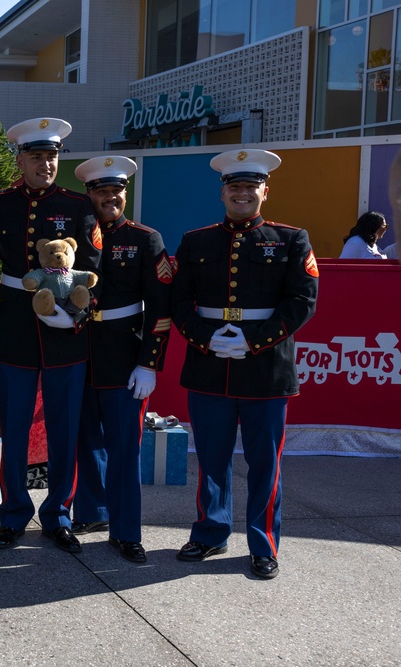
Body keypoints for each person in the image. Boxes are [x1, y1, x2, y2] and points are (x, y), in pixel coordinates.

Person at [171, 148, 318, 580]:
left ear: (264, 191)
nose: (242, 193)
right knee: (211, 458)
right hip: (209, 362)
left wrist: (253, 341)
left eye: (250, 186)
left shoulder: (292, 240)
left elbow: (302, 302)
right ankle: (211, 532)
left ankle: (263, 544)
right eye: (234, 186)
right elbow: (178, 300)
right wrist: (204, 336)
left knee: (264, 463)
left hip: (266, 369)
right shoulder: (196, 241)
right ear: (223, 192)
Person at [0, 117, 101, 552]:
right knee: (15, 427)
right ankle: (12, 516)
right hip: (13, 326)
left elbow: (96, 268)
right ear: (20, 159)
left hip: (65, 330)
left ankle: (58, 514)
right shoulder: (0, 202)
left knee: (64, 428)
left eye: (52, 156)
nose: (46, 164)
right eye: (37, 156)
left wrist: (78, 317)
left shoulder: (79, 206)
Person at [70, 156, 173, 564]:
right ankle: (92, 512)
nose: (109, 197)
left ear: (124, 193)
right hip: (77, 351)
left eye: (116, 190)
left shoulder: (146, 239)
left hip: (122, 355)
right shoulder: (74, 239)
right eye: (100, 191)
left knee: (124, 448)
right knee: (85, 440)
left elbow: (162, 307)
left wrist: (149, 363)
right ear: (89, 194)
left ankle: (126, 530)